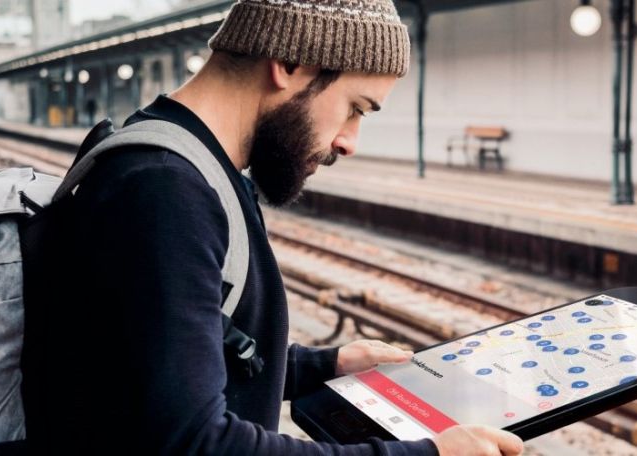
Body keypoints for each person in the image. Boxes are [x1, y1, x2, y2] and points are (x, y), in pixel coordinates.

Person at [31, 0, 525, 454]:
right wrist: (428, 453)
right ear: (290, 63)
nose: (350, 141)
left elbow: (166, 357)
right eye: (355, 108)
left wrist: (324, 366)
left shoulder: (186, 167)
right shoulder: (164, 188)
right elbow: (194, 442)